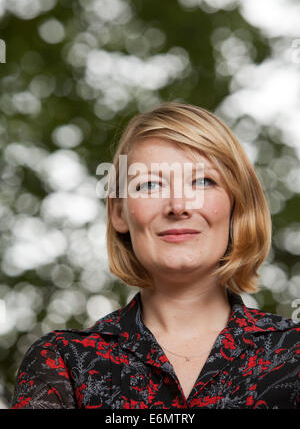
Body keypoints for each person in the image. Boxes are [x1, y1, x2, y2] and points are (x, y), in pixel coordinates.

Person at [11, 102, 299, 409]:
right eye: (150, 184)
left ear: (236, 206)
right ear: (119, 212)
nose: (178, 205)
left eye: (203, 181)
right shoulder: (63, 361)